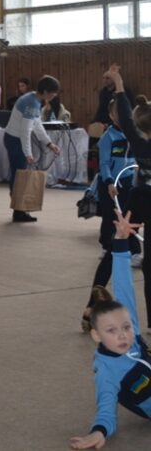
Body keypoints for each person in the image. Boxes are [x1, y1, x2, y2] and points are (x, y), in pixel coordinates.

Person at [69, 211, 150, 450]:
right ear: (96, 335)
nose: (123, 334)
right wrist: (99, 431)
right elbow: (106, 407)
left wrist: (121, 241)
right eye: (111, 331)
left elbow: (124, 286)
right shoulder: (107, 371)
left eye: (126, 327)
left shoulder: (130, 333)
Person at [81, 98, 140, 332]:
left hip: (133, 187)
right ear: (112, 115)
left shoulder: (135, 135)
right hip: (115, 191)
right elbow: (105, 163)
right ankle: (91, 306)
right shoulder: (108, 138)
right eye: (119, 113)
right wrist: (108, 182)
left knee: (125, 250)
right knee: (115, 250)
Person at [104, 66, 151, 324]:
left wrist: (119, 83)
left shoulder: (139, 143)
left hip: (142, 201)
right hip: (142, 200)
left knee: (147, 264)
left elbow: (125, 115)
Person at [4, 75, 62, 223]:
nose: (54, 96)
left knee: (18, 176)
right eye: (53, 93)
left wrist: (49, 143)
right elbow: (25, 131)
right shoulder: (31, 103)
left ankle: (20, 210)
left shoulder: (33, 98)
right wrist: (28, 153)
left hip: (15, 139)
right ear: (46, 91)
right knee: (19, 177)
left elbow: (37, 125)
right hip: (15, 140)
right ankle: (18, 212)